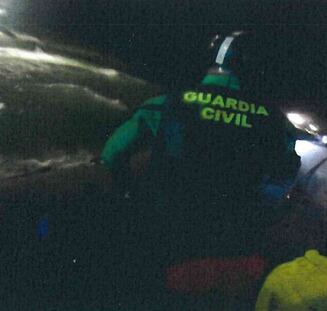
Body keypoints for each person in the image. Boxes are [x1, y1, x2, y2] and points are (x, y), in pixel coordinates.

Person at [100, 30, 301, 299]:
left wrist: (132, 192)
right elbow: (282, 180)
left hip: (165, 237)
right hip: (232, 249)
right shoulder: (277, 126)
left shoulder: (166, 105)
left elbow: (112, 154)